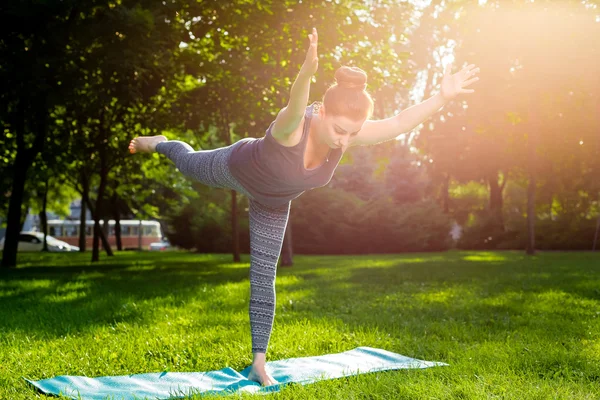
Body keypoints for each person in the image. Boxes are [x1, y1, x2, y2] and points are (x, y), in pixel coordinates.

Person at [128, 27, 479, 386]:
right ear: (323, 111)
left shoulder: (346, 137)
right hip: (235, 167)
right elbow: (296, 104)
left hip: (273, 204)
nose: (344, 141)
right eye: (340, 130)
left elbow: (398, 123)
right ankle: (161, 143)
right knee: (187, 165)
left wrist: (441, 97)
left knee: (264, 276)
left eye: (352, 134)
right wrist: (308, 72)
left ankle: (258, 363)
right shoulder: (291, 128)